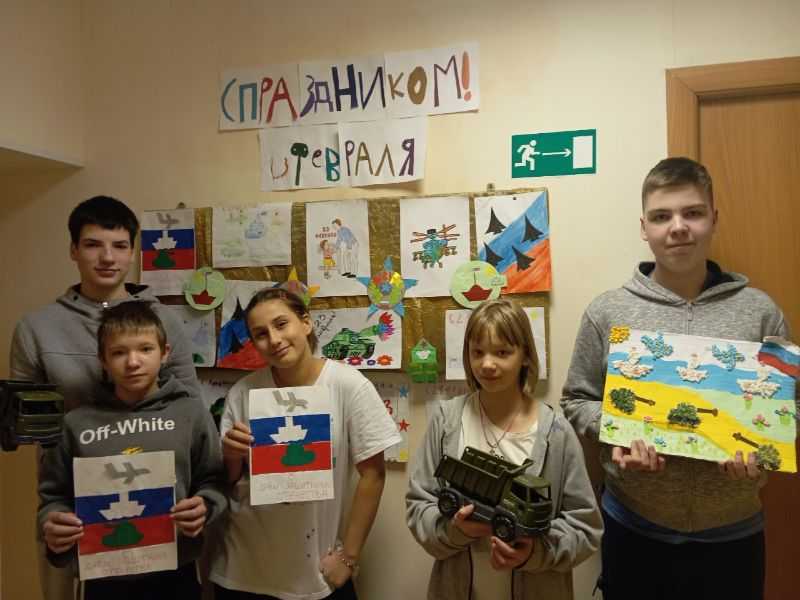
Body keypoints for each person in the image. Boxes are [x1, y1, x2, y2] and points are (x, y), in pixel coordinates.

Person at [561, 157, 792, 600]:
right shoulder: (607, 311)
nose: (678, 227)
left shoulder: (761, 312)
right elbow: (576, 399)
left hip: (734, 533)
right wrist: (618, 431)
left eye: (693, 213)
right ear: (644, 227)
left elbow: (789, 405)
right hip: (634, 527)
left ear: (714, 219)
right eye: (662, 216)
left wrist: (762, 450)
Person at [10, 195, 202, 600]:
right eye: (93, 244)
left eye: (119, 246)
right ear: (73, 250)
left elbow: (190, 407)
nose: (107, 257)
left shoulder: (164, 321)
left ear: (133, 252)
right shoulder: (37, 328)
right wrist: (54, 511)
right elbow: (26, 427)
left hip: (159, 503)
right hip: (74, 507)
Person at [209, 288, 401, 599]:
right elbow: (230, 480)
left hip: (314, 570)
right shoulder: (243, 393)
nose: (274, 339)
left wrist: (349, 557)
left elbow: (373, 474)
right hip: (243, 567)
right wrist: (231, 454)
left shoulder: (347, 385)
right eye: (260, 334)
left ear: (306, 323)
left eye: (281, 324)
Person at [406, 298, 602, 600]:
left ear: (525, 356)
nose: (487, 364)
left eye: (502, 352)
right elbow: (419, 506)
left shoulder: (556, 432)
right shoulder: (446, 421)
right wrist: (456, 531)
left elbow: (585, 527)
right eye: (477, 352)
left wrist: (534, 553)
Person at [37, 302, 226, 600]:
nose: (133, 362)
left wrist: (205, 504)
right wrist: (54, 521)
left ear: (165, 353)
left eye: (145, 349)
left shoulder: (191, 414)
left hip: (176, 572)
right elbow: (53, 498)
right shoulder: (75, 424)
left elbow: (214, 481)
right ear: (103, 360)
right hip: (102, 575)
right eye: (118, 353)